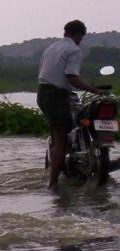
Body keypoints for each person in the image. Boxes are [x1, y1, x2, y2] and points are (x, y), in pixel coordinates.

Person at [37, 20, 101, 190]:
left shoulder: (51, 48)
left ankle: (56, 175)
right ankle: (53, 185)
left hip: (42, 93)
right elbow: (72, 78)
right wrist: (94, 90)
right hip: (56, 96)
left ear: (65, 32)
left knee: (56, 132)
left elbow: (46, 72)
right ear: (80, 35)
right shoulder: (74, 50)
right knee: (61, 140)